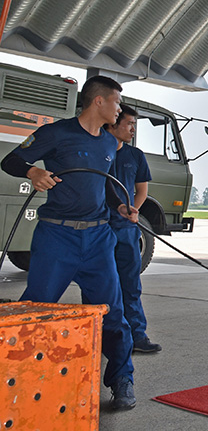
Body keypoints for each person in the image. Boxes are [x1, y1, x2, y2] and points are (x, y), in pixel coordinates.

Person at [0, 75, 140, 410]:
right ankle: (18, 380)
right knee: (36, 309)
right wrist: (33, 172)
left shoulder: (110, 144)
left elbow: (101, 186)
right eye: (118, 103)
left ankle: (122, 379)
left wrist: (119, 205)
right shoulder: (55, 133)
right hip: (57, 237)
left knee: (113, 314)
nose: (120, 110)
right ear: (99, 102)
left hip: (97, 238)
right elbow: (10, 161)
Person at [106, 104, 161, 354]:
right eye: (129, 124)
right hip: (98, 227)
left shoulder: (135, 155)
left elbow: (142, 190)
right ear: (112, 123)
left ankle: (137, 335)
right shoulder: (95, 150)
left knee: (130, 283)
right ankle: (102, 336)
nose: (132, 130)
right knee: (100, 284)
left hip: (126, 228)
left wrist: (132, 211)